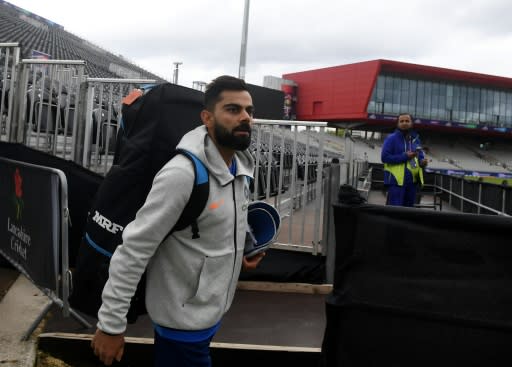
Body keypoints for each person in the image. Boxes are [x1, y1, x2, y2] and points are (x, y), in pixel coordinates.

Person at [91, 75, 265, 366]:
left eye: (249, 111)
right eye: (233, 110)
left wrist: (238, 254)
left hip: (210, 312)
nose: (245, 118)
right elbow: (134, 249)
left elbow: (213, 226)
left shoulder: (239, 166)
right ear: (207, 118)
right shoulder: (182, 174)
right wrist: (110, 325)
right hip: (181, 325)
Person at [381, 113, 428, 207]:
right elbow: (384, 158)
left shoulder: (416, 140)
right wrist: (405, 157)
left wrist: (422, 162)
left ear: (411, 123)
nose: (404, 123)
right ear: (397, 124)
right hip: (396, 182)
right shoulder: (391, 139)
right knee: (395, 211)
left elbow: (420, 157)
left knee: (408, 211)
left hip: (412, 183)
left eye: (407, 121)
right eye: (401, 121)